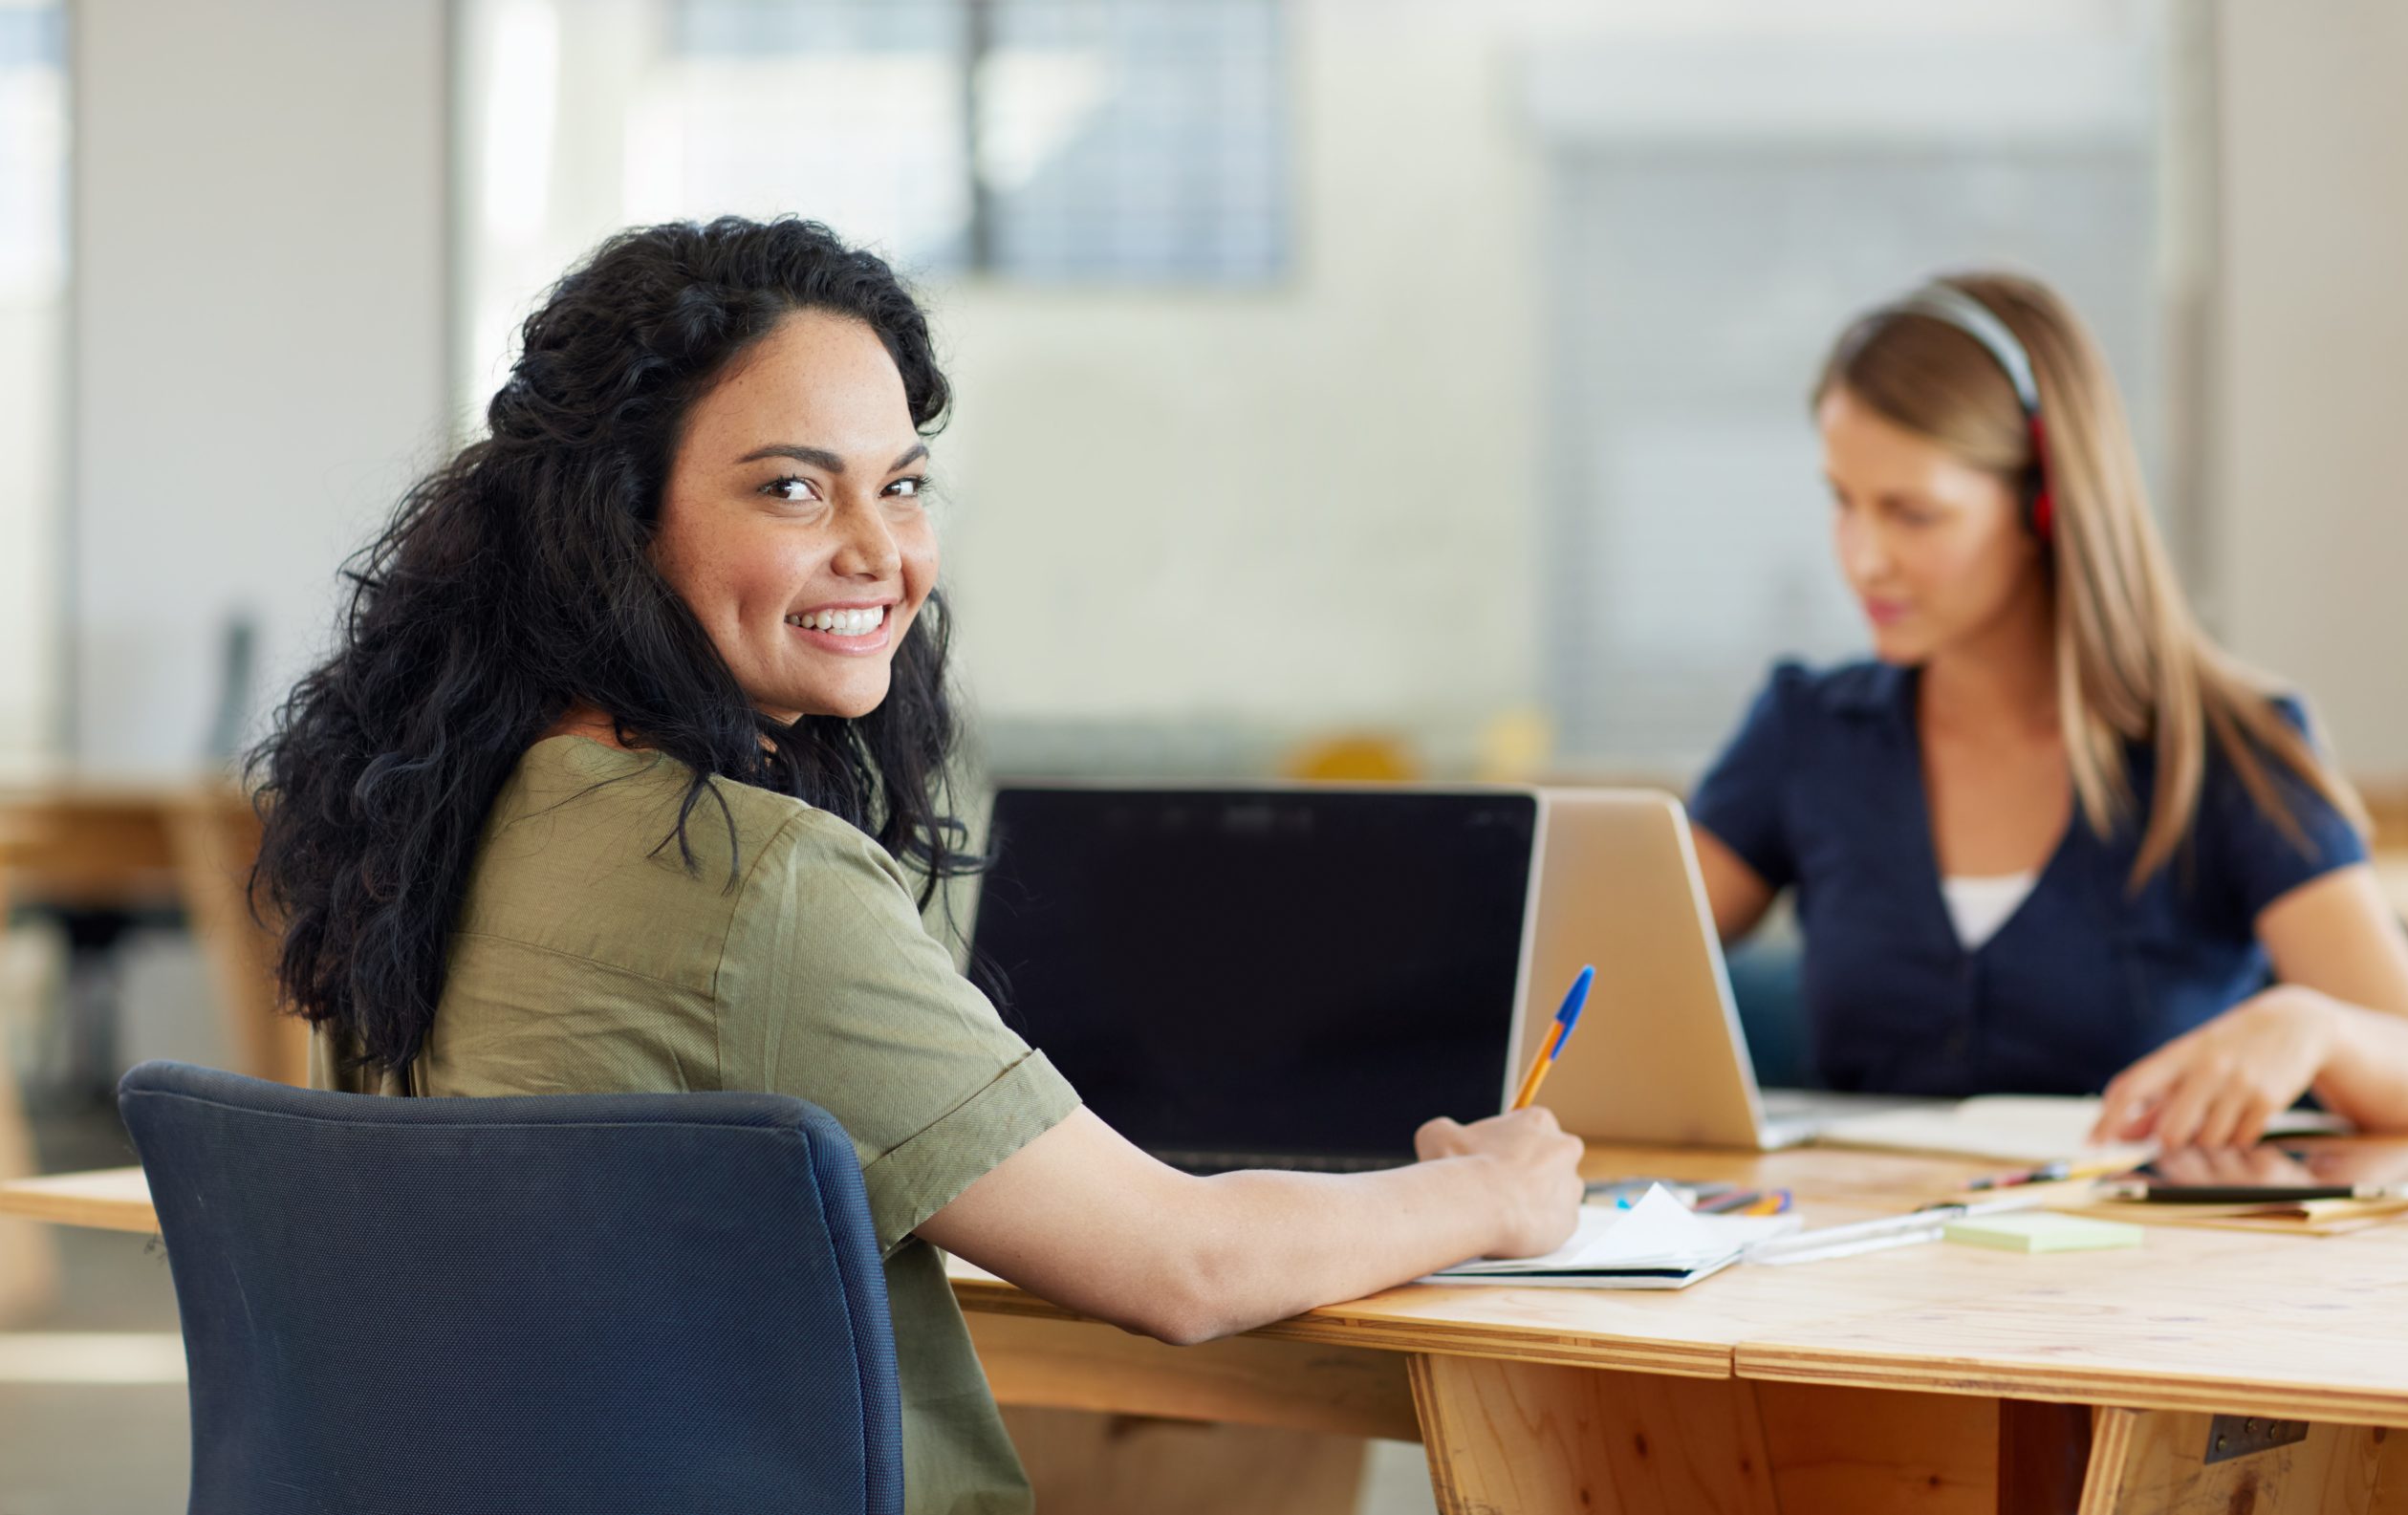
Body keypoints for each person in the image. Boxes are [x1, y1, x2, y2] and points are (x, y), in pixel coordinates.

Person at [249, 216, 1582, 1515]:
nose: (881, 554)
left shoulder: (432, 831)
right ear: (612, 520)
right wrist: (1492, 1192)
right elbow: (1186, 1264)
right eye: (791, 486)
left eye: (899, 483)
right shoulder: (747, 877)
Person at [1687, 271, 2408, 1150]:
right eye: (1843, 501)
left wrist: (2318, 1026)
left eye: (1913, 514)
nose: (1863, 559)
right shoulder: (1805, 733)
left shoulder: (2228, 751)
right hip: (1855, 1266)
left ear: (2044, 502)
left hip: (2147, 1273)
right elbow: (1598, 975)